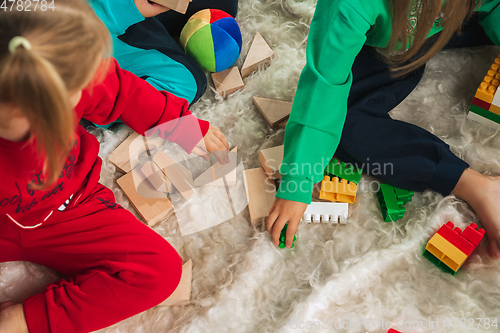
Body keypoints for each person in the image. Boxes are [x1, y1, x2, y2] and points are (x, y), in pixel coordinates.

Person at [0, 1, 229, 332]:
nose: (87, 93)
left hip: (72, 207)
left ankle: (19, 320)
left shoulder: (71, 71)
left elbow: (125, 92)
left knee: (161, 271)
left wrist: (182, 125)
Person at [267, 0, 500, 259]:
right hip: (394, 46)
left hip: (467, 19)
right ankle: (473, 184)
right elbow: (324, 86)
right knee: (338, 121)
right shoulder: (350, 5)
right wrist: (299, 180)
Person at [89, 0, 239, 128]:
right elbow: (128, 100)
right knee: (188, 82)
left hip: (98, 13)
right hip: (101, 41)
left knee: (225, 4)